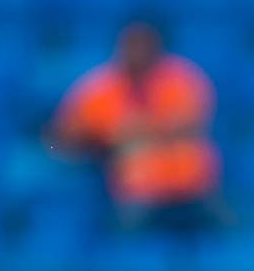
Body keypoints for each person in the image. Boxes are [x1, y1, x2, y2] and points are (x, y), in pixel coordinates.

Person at [47, 20, 229, 233]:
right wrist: (101, 146)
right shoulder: (97, 88)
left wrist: (134, 133)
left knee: (232, 236)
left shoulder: (183, 78)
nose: (137, 51)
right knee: (125, 241)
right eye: (131, 44)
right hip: (135, 191)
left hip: (193, 187)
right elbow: (60, 140)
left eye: (144, 44)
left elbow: (192, 125)